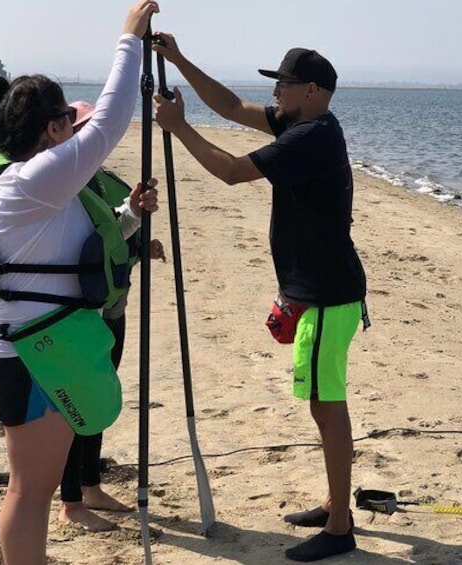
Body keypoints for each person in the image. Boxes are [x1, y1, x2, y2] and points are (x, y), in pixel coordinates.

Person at [0, 2, 160, 563]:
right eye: (68, 123)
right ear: (51, 129)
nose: (77, 132)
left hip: (20, 341)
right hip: (36, 349)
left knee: (32, 486)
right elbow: (114, 117)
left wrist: (130, 218)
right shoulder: (35, 180)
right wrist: (129, 40)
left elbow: (96, 130)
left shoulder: (7, 175)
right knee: (30, 490)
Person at [153, 37, 367, 562]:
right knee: (323, 402)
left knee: (327, 405)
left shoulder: (311, 137)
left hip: (326, 292)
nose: (275, 90)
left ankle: (340, 527)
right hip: (318, 289)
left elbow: (230, 172)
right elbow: (229, 106)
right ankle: (333, 504)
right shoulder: (298, 123)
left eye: (284, 83)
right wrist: (180, 61)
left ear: (312, 90)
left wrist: (178, 128)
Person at [56, 101, 166, 532]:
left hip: (112, 307)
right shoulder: (61, 184)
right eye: (83, 129)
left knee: (98, 402)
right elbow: (89, 242)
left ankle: (89, 486)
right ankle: (69, 502)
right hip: (81, 315)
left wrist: (140, 238)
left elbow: (114, 239)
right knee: (74, 406)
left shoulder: (102, 181)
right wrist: (134, 216)